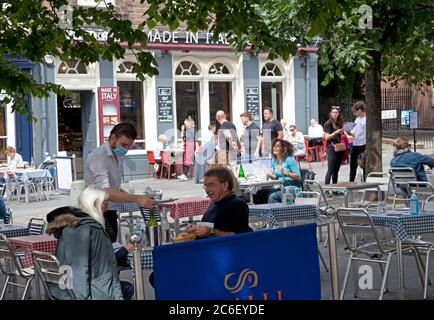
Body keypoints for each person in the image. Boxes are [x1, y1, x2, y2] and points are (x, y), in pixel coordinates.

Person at [45, 186, 124, 299]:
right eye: (105, 204)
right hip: (91, 292)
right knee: (127, 288)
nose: (106, 209)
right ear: (94, 204)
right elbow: (79, 269)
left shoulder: (72, 225)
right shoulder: (89, 229)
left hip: (64, 289)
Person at [85, 122, 153, 243]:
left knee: (112, 249)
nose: (125, 149)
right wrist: (137, 199)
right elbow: (106, 191)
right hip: (96, 212)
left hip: (110, 211)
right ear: (112, 138)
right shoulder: (99, 156)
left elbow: (114, 187)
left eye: (129, 147)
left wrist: (136, 197)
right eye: (123, 145)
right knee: (105, 252)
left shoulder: (117, 156)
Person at [186, 167, 251, 238]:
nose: (207, 190)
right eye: (205, 186)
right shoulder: (214, 203)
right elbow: (206, 226)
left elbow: (242, 237)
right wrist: (195, 228)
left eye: (211, 185)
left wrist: (211, 231)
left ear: (224, 185)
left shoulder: (237, 204)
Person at [256, 139, 300, 203]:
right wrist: (269, 174)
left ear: (284, 148)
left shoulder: (289, 159)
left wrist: (286, 173)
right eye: (274, 146)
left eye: (278, 146)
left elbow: (298, 176)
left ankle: (277, 212)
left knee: (273, 196)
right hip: (281, 187)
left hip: (292, 187)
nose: (275, 148)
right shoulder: (274, 160)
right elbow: (276, 177)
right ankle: (264, 212)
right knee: (261, 193)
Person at [323, 106, 345, 184]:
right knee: (331, 169)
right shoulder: (328, 123)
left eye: (336, 112)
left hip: (339, 147)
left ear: (338, 114)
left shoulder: (339, 123)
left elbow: (342, 135)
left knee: (336, 170)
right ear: (330, 113)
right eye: (333, 112)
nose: (334, 114)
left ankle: (335, 189)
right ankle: (326, 189)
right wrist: (336, 132)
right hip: (331, 148)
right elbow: (326, 137)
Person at [347, 101, 366, 181]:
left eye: (355, 111)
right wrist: (349, 132)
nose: (354, 113)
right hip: (355, 143)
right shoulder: (357, 119)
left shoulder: (366, 120)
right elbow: (354, 132)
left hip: (363, 144)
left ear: (360, 110)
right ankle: (351, 181)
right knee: (353, 164)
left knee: (363, 163)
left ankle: (365, 181)